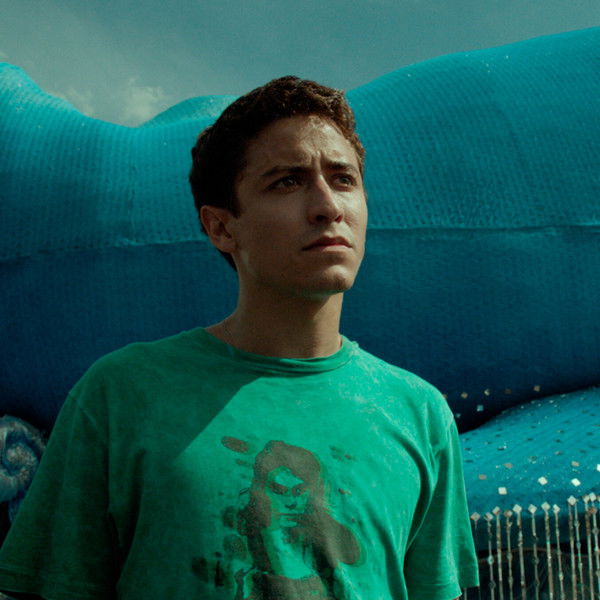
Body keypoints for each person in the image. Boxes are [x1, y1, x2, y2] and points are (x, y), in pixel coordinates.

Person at [0, 76, 479, 599]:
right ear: (221, 228)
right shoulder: (120, 396)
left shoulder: (418, 414)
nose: (327, 206)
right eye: (288, 182)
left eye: (343, 179)